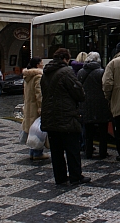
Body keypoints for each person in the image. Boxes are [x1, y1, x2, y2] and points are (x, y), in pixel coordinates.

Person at [40, 48, 90, 186]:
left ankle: (60, 177)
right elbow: (78, 93)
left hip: (50, 117)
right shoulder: (66, 72)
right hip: (66, 116)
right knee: (72, 149)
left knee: (56, 151)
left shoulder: (45, 73)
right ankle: (76, 176)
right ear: (65, 59)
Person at [77, 52, 112, 159]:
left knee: (88, 132)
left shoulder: (81, 72)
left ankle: (88, 152)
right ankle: (102, 152)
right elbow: (106, 87)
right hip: (101, 105)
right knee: (102, 132)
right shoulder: (102, 72)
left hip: (86, 105)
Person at [22, 57, 49, 161]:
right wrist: (41, 108)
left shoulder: (27, 76)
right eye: (41, 62)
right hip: (35, 108)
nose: (43, 64)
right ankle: (38, 153)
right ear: (38, 65)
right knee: (38, 131)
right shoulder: (38, 76)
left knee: (32, 130)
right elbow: (39, 94)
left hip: (29, 106)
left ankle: (32, 152)